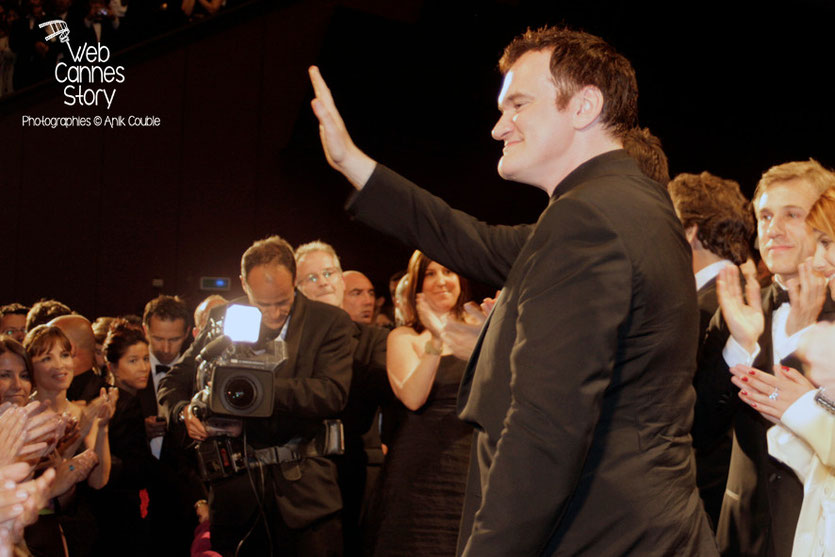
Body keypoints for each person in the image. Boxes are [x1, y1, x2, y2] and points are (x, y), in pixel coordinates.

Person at [310, 25, 715, 556]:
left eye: (518, 105)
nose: (499, 127)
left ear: (584, 105)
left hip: (599, 533)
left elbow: (545, 428)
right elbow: (470, 240)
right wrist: (351, 162)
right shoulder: (627, 205)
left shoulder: (587, 219)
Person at [158, 235, 354, 557]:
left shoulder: (329, 322)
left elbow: (332, 393)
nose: (274, 313)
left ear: (294, 279)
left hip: (306, 495)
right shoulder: (224, 318)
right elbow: (173, 381)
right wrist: (184, 412)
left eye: (283, 301)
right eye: (263, 304)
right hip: (236, 494)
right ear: (244, 285)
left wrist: (256, 393)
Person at [700, 161, 835, 556]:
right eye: (765, 216)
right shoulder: (733, 310)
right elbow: (701, 428)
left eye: (792, 214)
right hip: (744, 535)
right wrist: (739, 349)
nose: (773, 228)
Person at [368, 250, 474, 556]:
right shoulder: (404, 337)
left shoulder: (482, 330)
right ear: (417, 285)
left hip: (471, 462)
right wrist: (438, 337)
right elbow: (414, 398)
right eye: (430, 274)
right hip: (419, 472)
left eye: (448, 272)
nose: (441, 281)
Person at [295, 240, 391, 557]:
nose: (323, 281)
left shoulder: (374, 339)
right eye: (312, 277)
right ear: (295, 288)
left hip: (353, 471)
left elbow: (378, 390)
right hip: (298, 474)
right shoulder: (286, 339)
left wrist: (333, 331)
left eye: (329, 273)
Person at [88, 318, 156, 557]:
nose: (143, 367)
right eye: (133, 361)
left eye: (146, 359)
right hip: (119, 509)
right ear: (112, 366)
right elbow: (132, 467)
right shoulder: (124, 404)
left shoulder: (119, 399)